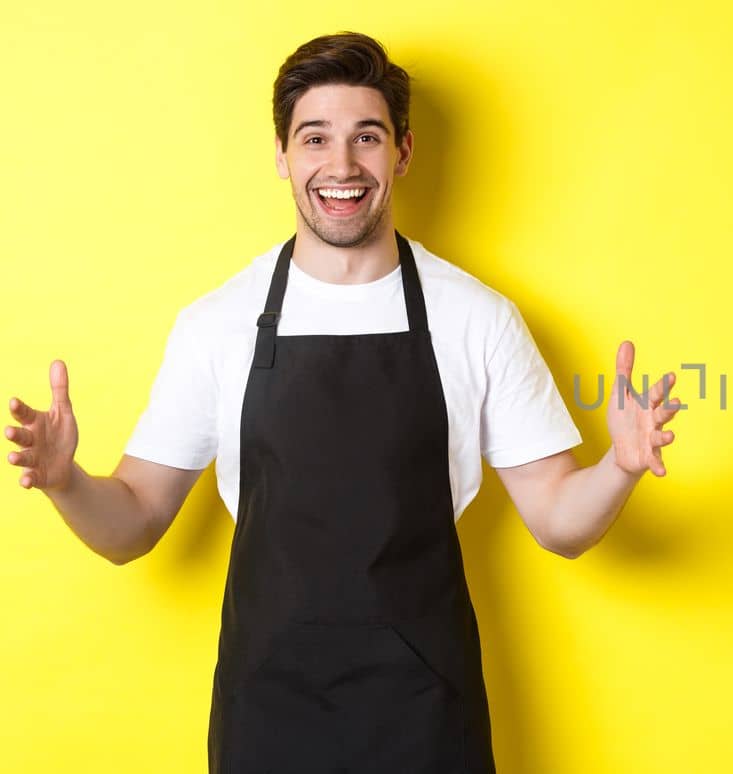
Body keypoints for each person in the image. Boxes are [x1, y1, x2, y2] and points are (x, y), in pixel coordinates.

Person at [3, 31, 682, 773]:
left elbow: (559, 522)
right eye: (315, 137)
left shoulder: (477, 318)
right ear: (282, 156)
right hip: (267, 712)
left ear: (404, 152)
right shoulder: (217, 324)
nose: (342, 165)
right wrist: (67, 481)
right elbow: (132, 523)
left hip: (427, 714)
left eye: (367, 136)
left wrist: (619, 467)